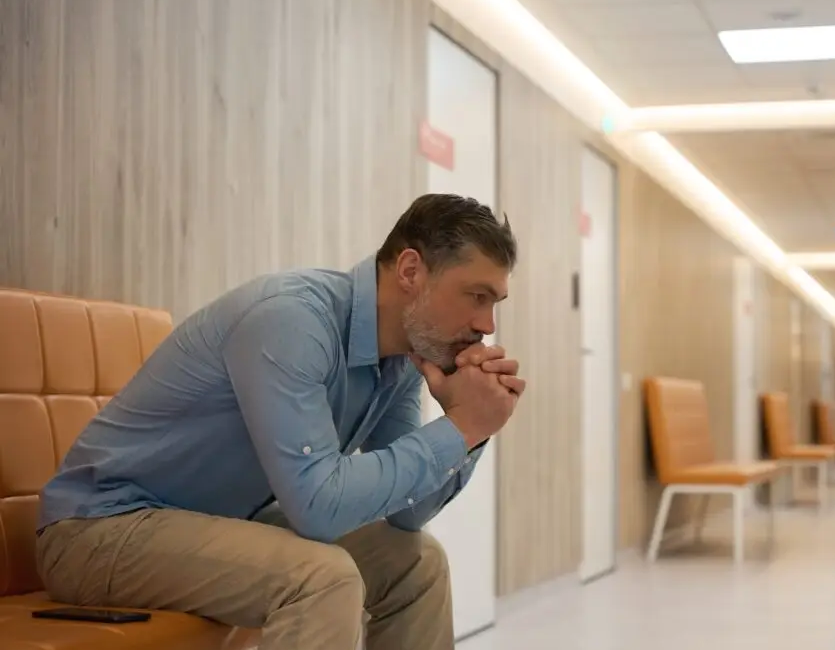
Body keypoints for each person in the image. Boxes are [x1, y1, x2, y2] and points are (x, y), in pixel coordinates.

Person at [35, 193, 525, 650]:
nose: (487, 325)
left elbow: (406, 514)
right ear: (411, 270)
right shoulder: (292, 319)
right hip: (98, 531)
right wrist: (460, 427)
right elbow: (318, 506)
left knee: (417, 562)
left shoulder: (399, 360)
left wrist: (469, 433)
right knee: (321, 577)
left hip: (216, 520)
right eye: (475, 296)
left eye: (493, 303)